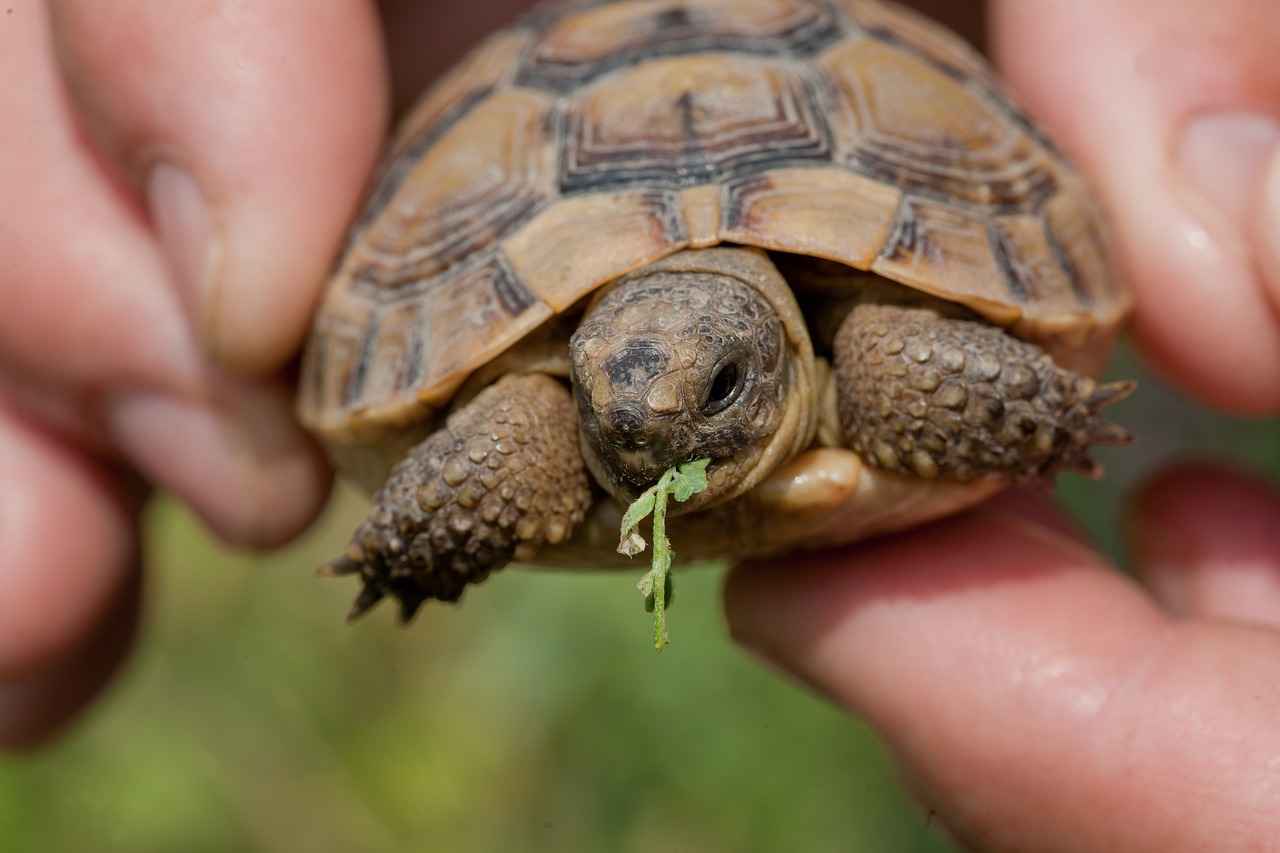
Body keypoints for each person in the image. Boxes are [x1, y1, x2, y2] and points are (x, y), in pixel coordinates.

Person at [2, 1, 1277, 847]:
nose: (645, 430)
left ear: (777, 349)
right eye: (608, 395)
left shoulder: (865, 345)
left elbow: (934, 360)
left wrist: (1030, 412)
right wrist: (421, 533)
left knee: (899, 366)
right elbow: (533, 425)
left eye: (713, 397)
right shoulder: (548, 414)